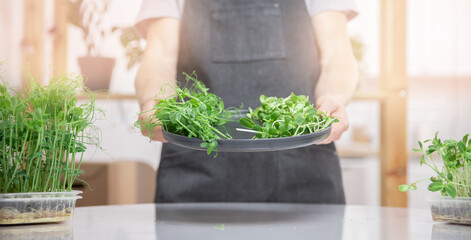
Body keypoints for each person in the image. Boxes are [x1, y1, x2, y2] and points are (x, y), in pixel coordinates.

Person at [134, 0, 359, 203]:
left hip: (302, 169)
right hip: (196, 170)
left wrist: (333, 99)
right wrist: (154, 101)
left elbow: (336, 53)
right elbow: (160, 53)